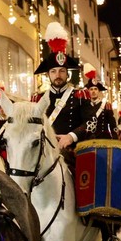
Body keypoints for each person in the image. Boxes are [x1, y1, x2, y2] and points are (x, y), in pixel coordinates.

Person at [32, 22, 93, 159]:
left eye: (61, 71)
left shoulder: (80, 95)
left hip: (73, 152)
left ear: (67, 74)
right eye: (53, 71)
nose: (58, 75)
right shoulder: (38, 99)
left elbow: (91, 122)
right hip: (44, 154)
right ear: (48, 74)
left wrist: (71, 137)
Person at [82, 64, 121, 241]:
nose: (92, 92)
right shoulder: (82, 106)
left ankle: (109, 238)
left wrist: (114, 147)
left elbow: (113, 129)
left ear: (99, 92)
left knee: (106, 187)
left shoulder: (105, 107)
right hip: (84, 147)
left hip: (102, 148)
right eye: (90, 89)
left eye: (95, 89)